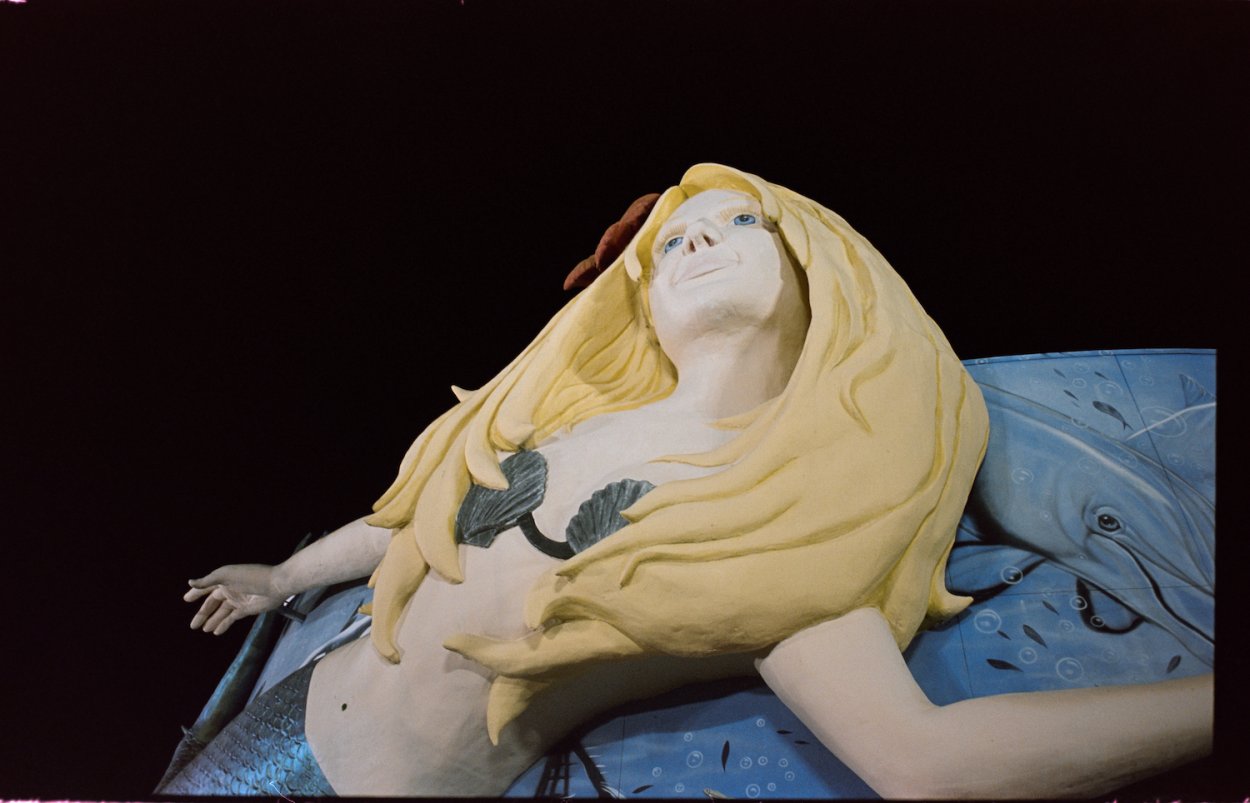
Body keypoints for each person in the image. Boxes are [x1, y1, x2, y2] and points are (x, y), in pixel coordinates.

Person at [168, 164, 1212, 797]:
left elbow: (920, 761)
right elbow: (419, 524)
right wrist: (283, 575)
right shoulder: (564, 423)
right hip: (279, 720)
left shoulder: (788, 516)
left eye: (743, 221)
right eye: (669, 242)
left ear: (821, 267)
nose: (699, 237)